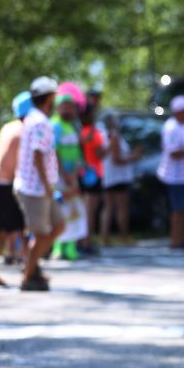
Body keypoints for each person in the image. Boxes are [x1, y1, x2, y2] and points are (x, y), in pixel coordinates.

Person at [13, 77, 64, 291]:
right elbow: (37, 154)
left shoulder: (34, 118)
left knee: (59, 225)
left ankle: (32, 268)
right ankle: (29, 275)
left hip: (41, 186)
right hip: (35, 188)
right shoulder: (40, 122)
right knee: (42, 233)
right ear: (50, 97)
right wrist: (46, 185)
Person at [0, 92, 32, 286]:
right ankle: (30, 270)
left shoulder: (8, 127)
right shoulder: (24, 130)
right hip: (2, 185)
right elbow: (22, 163)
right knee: (20, 227)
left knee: (1, 231)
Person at [157, 95, 184, 250]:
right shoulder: (171, 127)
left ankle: (182, 238)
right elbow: (173, 152)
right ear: (179, 111)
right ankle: (175, 240)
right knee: (177, 209)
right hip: (174, 176)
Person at [99, 112, 141, 246]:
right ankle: (124, 236)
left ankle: (104, 236)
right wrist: (133, 157)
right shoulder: (114, 136)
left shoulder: (103, 135)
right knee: (121, 207)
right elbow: (116, 159)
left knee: (108, 207)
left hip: (108, 176)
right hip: (118, 177)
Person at [51, 92, 84, 261]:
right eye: (65, 106)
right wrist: (64, 173)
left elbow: (75, 150)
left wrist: (78, 169)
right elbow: (54, 151)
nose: (69, 110)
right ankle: (58, 247)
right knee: (60, 210)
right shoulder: (55, 125)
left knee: (73, 211)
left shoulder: (71, 126)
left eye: (71, 106)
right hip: (60, 177)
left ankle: (70, 246)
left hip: (72, 175)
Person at [78, 100, 108, 255]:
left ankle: (82, 240)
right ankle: (86, 241)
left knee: (83, 210)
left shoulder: (79, 131)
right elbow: (99, 154)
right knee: (90, 211)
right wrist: (107, 148)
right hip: (94, 174)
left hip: (82, 173)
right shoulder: (93, 132)